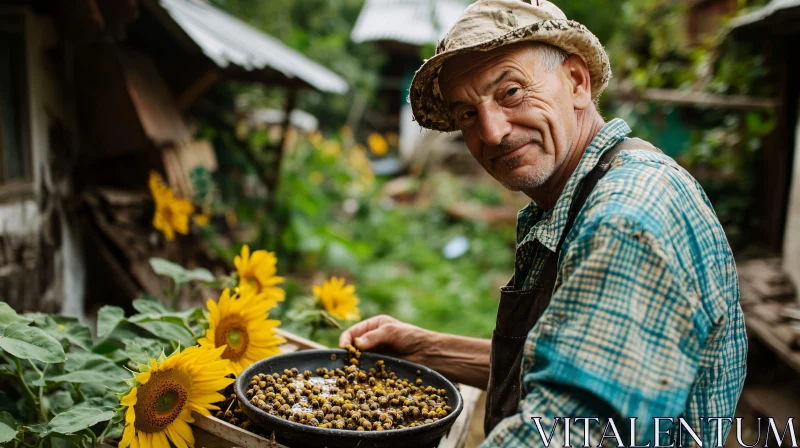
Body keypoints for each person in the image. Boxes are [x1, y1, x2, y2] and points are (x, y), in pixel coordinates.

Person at [341, 0, 747, 446]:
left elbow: (568, 432)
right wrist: (426, 349)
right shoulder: (588, 190)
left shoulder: (626, 218)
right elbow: (569, 359)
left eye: (511, 92)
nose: (492, 132)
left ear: (576, 82)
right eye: (467, 115)